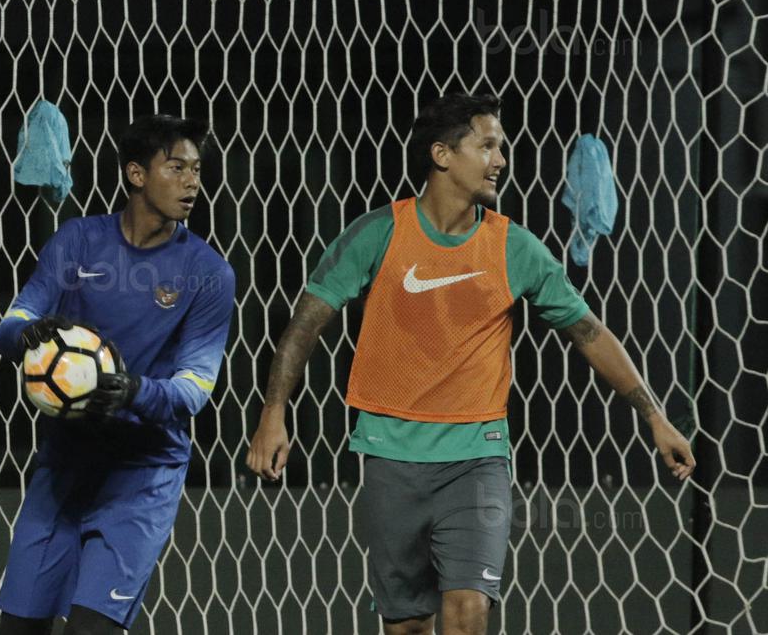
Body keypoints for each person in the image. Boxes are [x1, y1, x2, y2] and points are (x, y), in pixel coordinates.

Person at [245, 93, 695, 635]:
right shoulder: (377, 233)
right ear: (442, 155)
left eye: (500, 147)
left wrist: (654, 416)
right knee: (408, 624)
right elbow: (305, 323)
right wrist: (274, 412)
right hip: (391, 454)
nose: (501, 160)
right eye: (487, 146)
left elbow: (590, 334)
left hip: (477, 458)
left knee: (468, 612)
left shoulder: (514, 248)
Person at [0, 114, 236, 635]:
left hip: (142, 471)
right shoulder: (79, 241)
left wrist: (131, 391)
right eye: (176, 167)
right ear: (136, 174)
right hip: (65, 462)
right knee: (18, 628)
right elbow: (14, 320)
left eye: (197, 169)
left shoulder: (208, 272)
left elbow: (194, 388)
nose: (193, 182)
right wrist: (26, 337)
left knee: (91, 629)